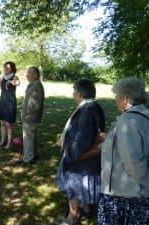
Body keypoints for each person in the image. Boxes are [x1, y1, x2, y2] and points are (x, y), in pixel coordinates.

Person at [98, 77, 149, 225]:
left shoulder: (128, 121)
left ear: (125, 99)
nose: (116, 101)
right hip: (135, 194)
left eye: (117, 97)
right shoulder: (144, 116)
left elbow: (133, 161)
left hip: (125, 196)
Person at [56, 79, 105, 225]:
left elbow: (81, 138)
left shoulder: (86, 110)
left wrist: (71, 155)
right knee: (85, 183)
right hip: (90, 158)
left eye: (74, 91)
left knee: (75, 186)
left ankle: (72, 219)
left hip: (80, 160)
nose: (73, 94)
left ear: (79, 94)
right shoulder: (95, 106)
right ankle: (86, 207)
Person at [20, 67, 44, 165]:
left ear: (35, 75)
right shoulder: (33, 84)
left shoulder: (36, 85)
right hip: (30, 116)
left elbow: (35, 104)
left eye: (29, 72)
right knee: (31, 137)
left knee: (28, 138)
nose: (27, 74)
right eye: (27, 72)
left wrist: (26, 112)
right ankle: (33, 155)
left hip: (30, 117)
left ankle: (27, 159)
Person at [0, 61, 20, 149]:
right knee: (2, 123)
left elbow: (17, 83)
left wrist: (9, 82)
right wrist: (3, 89)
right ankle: (2, 141)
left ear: (12, 69)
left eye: (8, 67)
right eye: (5, 67)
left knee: (9, 124)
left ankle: (9, 143)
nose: (6, 68)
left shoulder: (14, 76)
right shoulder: (3, 76)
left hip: (10, 103)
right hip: (3, 101)